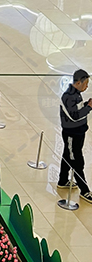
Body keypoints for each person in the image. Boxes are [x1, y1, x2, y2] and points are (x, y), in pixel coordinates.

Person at [59, 68, 92, 201]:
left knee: (68, 155)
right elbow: (74, 116)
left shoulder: (76, 95)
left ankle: (62, 180)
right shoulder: (69, 97)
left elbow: (77, 110)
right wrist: (89, 107)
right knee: (77, 161)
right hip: (71, 134)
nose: (87, 87)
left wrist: (86, 104)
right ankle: (85, 191)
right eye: (86, 84)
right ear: (78, 82)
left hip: (78, 133)